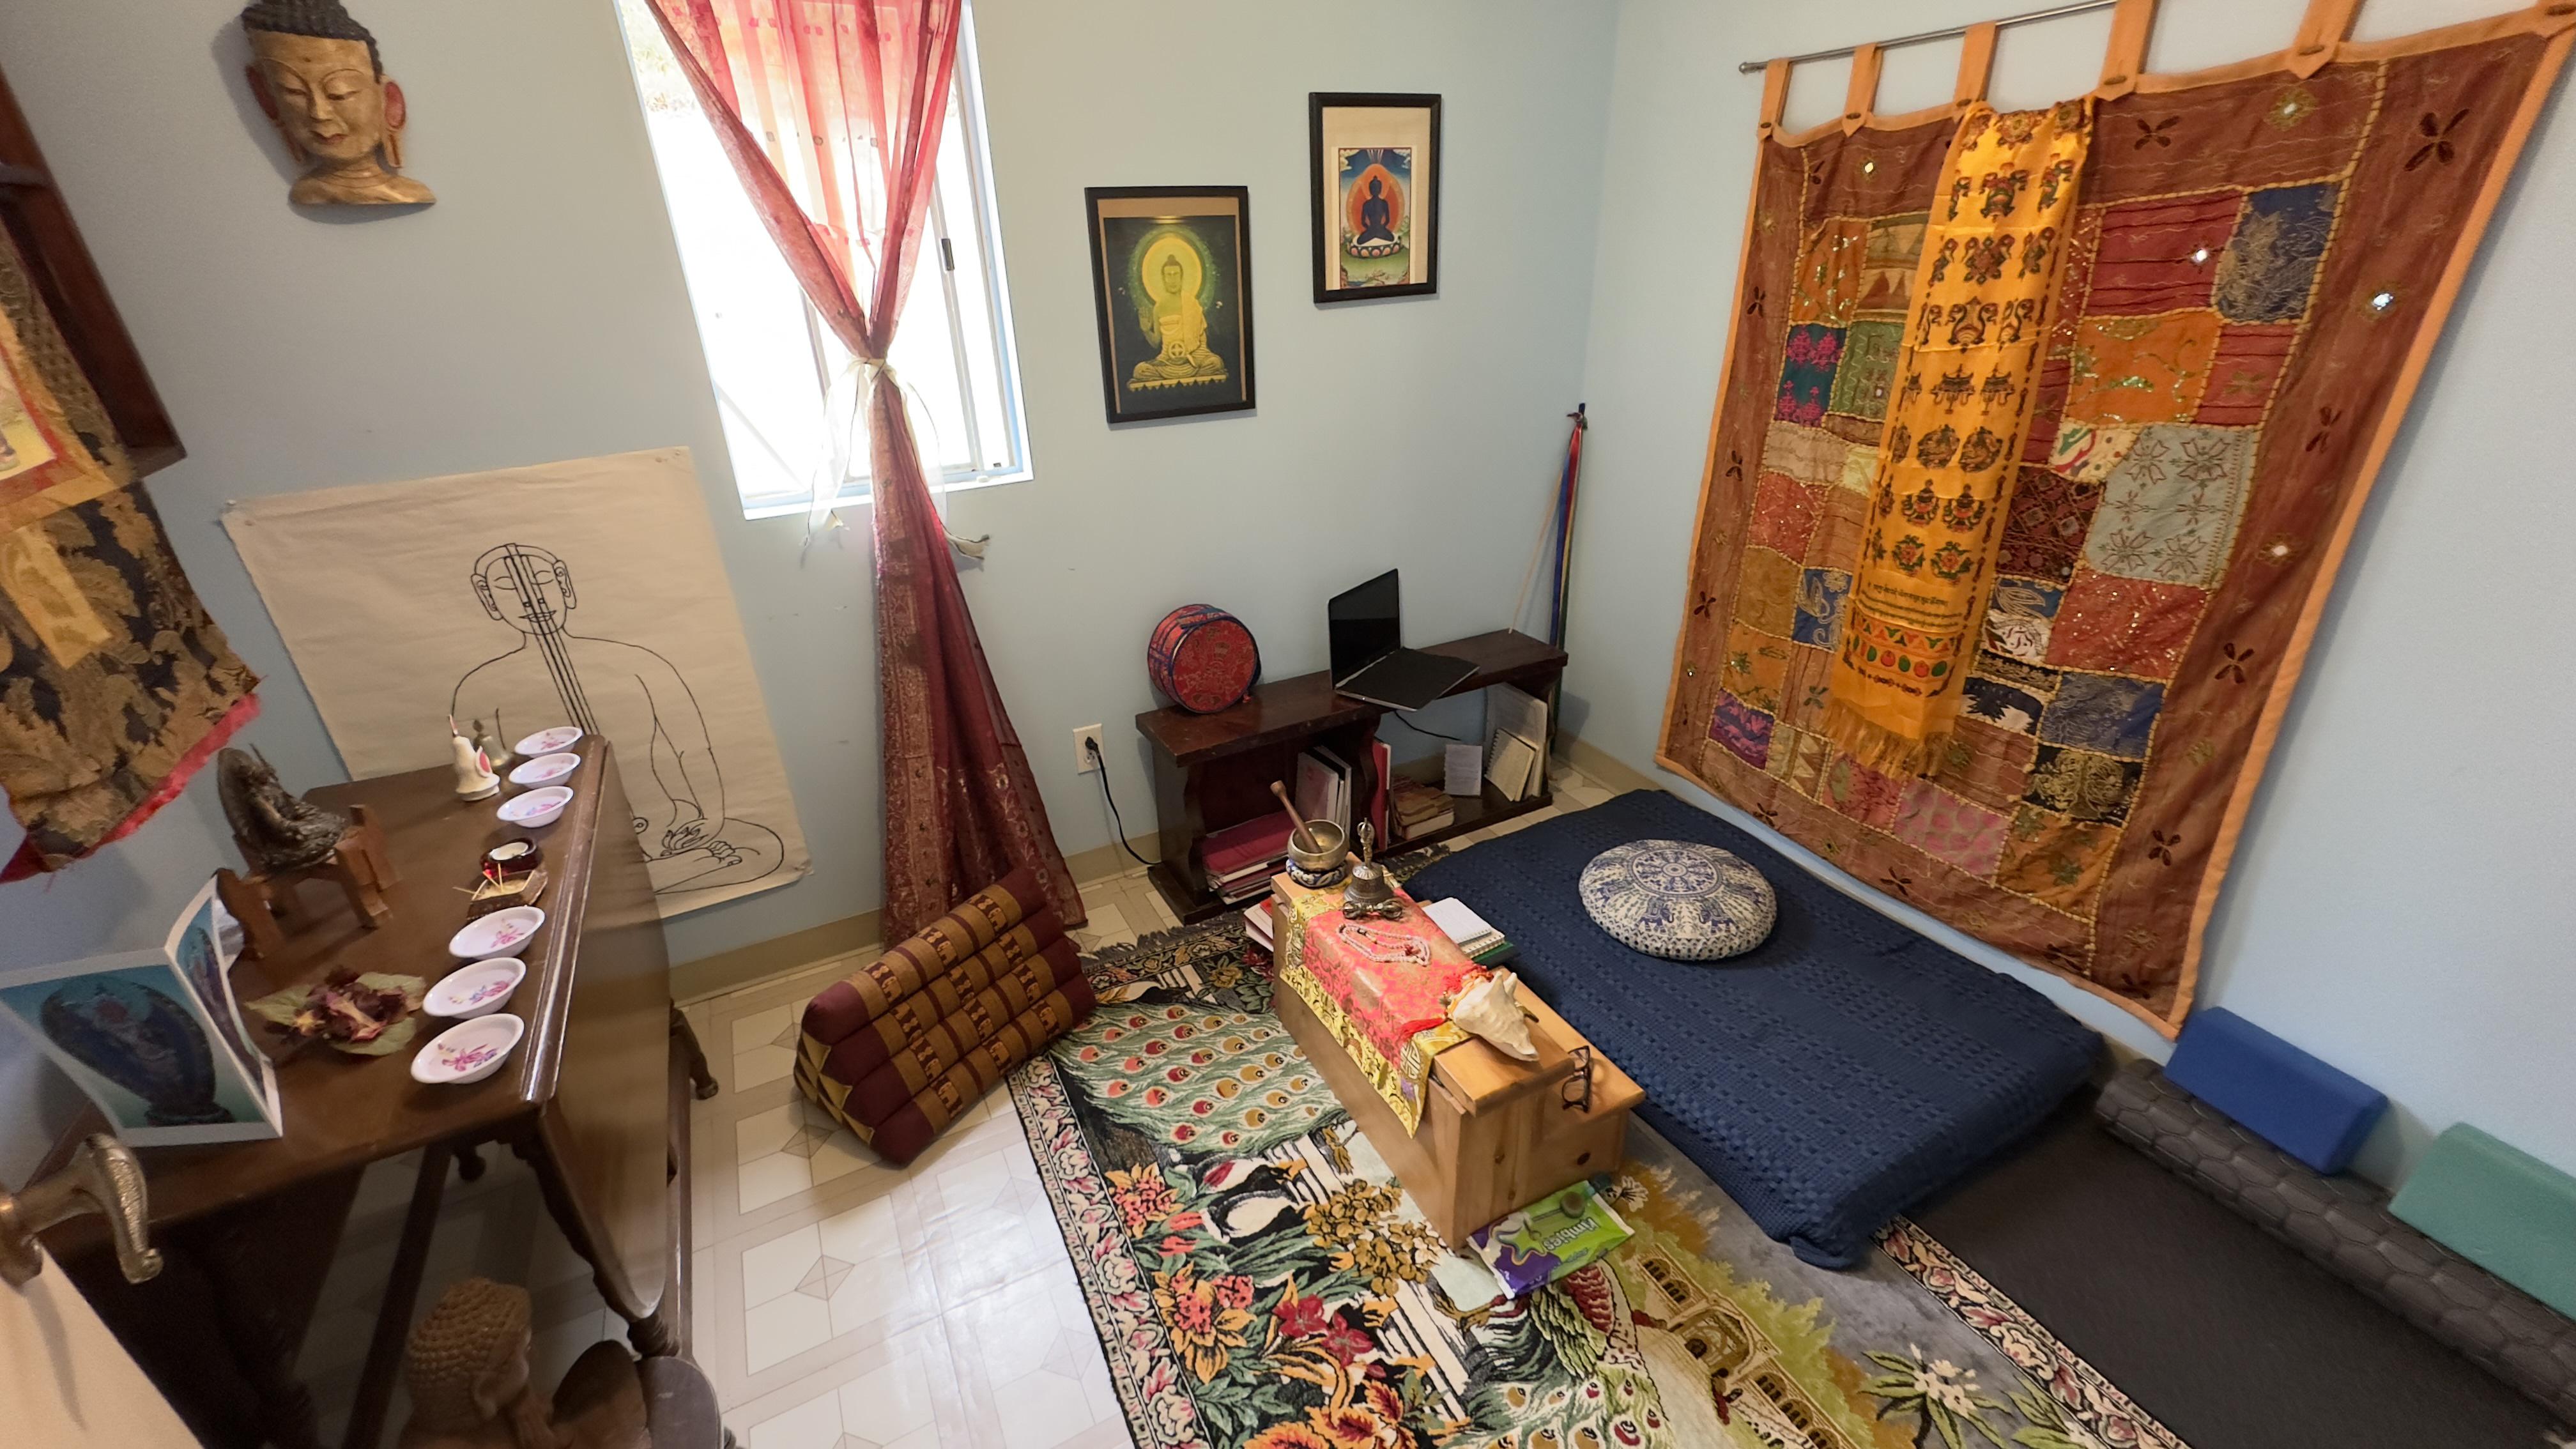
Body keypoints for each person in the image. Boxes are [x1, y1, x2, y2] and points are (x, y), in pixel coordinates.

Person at [452, 542, 781, 896]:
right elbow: (495, 785)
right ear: (488, 598)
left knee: (763, 850)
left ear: (564, 583)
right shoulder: (481, 686)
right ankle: (667, 873)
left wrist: (711, 816)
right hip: (568, 837)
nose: (532, 599)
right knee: (561, 882)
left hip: (668, 824)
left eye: (542, 579)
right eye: (507, 587)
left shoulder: (639, 662)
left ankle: (646, 877)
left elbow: (692, 749)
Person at [240, 0, 436, 206]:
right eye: (294, 91)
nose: (319, 113)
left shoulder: (411, 193)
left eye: (340, 94)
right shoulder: (307, 193)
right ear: (268, 100)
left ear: (390, 100)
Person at [1128, 244, 1227, 389]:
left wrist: (1195, 356)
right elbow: (1156, 343)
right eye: (1169, 275)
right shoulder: (1159, 307)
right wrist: (1146, 330)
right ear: (1163, 278)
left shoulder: (1192, 303)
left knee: (1215, 363)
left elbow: (1201, 342)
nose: (1173, 279)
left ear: (1181, 277)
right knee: (1141, 370)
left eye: (1176, 274)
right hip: (1167, 362)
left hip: (1193, 360)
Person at [1356, 174, 1395, 244]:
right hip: (1380, 230)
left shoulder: (1368, 204)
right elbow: (1387, 221)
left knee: (1360, 241)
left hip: (1372, 230)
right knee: (1391, 238)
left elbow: (1363, 222)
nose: (1375, 190)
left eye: (1377, 188)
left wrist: (1369, 228)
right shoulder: (1383, 203)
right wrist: (1382, 227)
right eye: (1374, 188)